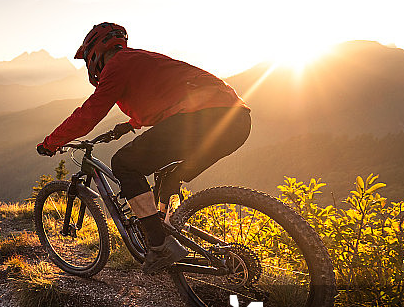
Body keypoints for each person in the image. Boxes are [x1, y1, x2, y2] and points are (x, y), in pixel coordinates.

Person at [37, 22, 251, 272]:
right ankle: (172, 231)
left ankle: (160, 247)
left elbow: (89, 113)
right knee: (167, 176)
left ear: (95, 52)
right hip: (236, 121)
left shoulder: (117, 65)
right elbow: (166, 97)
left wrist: (52, 142)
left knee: (124, 164)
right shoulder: (140, 60)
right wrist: (129, 125)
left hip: (203, 118)